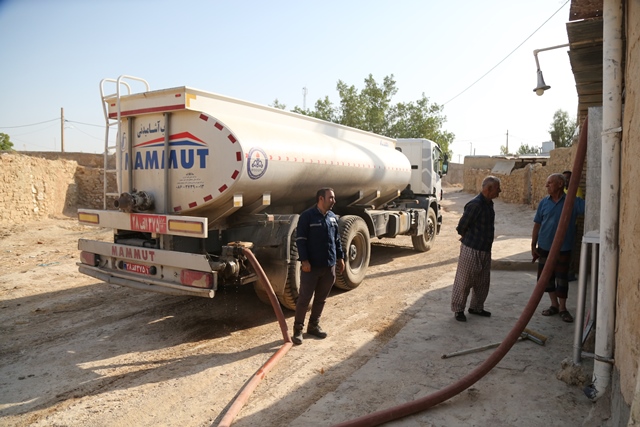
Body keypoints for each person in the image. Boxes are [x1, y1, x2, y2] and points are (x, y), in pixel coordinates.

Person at [292, 188, 345, 345]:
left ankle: (313, 326)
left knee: (321, 299)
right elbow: (301, 240)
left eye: (333, 198)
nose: (334, 201)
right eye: (331, 198)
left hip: (329, 267)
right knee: (304, 299)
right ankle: (298, 329)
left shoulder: (332, 217)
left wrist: (341, 258)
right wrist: (304, 261)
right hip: (311, 267)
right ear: (321, 199)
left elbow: (337, 240)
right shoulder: (307, 216)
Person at [531, 173, 585, 323]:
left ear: (560, 184)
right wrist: (533, 244)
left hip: (563, 248)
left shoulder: (572, 202)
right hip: (545, 246)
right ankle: (554, 305)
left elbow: (590, 208)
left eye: (550, 183)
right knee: (546, 278)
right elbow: (537, 224)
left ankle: (562, 308)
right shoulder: (544, 202)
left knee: (562, 278)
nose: (546, 186)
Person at [451, 176, 501, 322]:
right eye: (497, 188)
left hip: (485, 249)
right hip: (471, 249)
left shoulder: (488, 204)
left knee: (482, 282)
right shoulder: (475, 205)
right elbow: (461, 227)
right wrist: (468, 238)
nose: (500, 191)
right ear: (489, 189)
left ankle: (476, 307)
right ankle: (458, 309)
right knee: (464, 281)